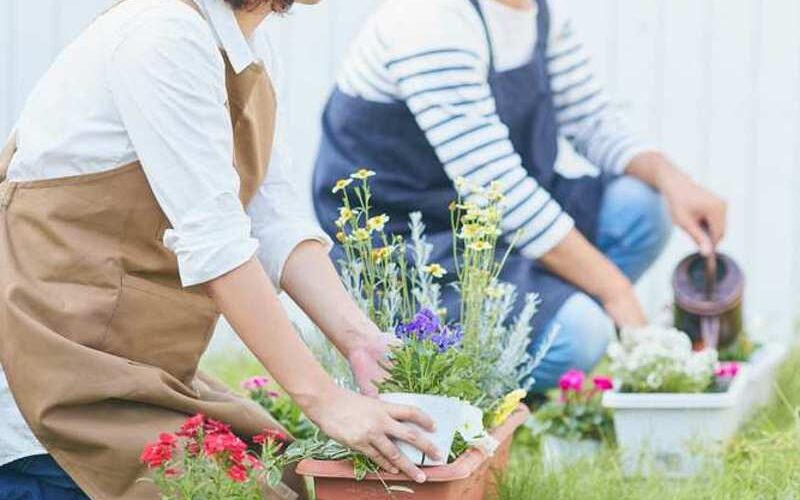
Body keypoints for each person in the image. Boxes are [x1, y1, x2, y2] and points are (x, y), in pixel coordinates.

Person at [0, 0, 441, 498]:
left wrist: (360, 339)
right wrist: (325, 400)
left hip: (130, 371)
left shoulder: (238, 39)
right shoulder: (163, 35)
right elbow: (216, 243)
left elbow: (270, 215)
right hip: (50, 395)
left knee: (290, 475)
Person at [312, 0, 727, 391]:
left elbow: (592, 119)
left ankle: (545, 329)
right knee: (581, 333)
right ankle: (487, 396)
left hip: (489, 221)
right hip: (413, 244)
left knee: (641, 208)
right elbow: (497, 186)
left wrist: (672, 179)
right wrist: (615, 292)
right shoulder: (431, 19)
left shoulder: (531, 11)